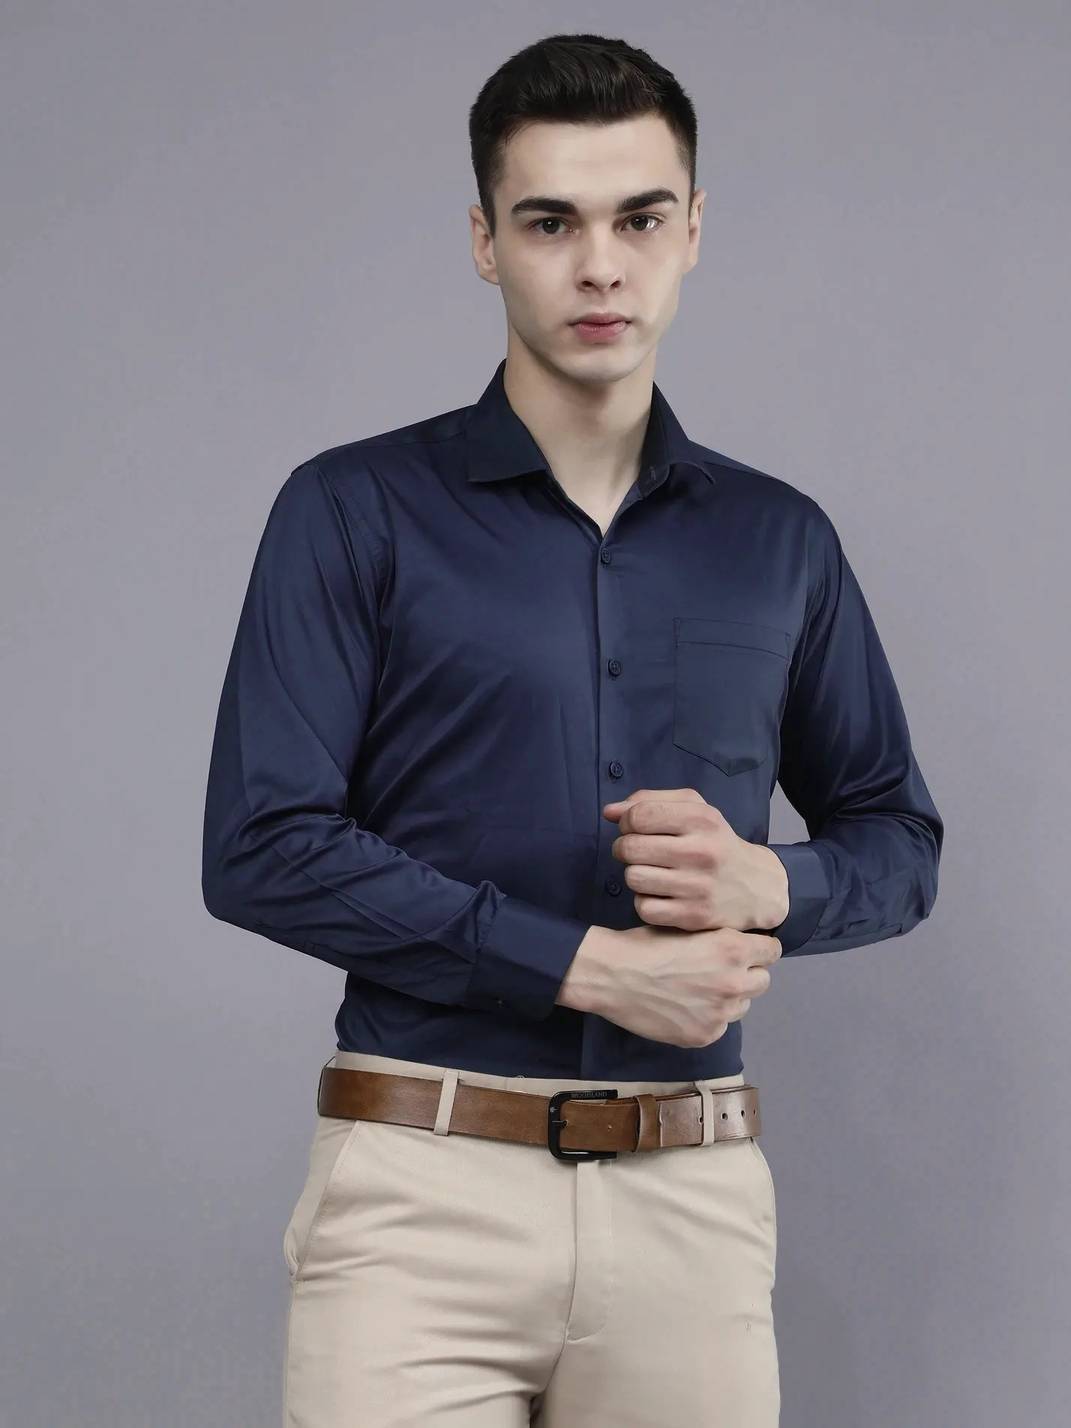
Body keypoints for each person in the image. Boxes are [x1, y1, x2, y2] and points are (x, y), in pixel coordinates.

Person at [200, 30, 943, 1428]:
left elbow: (900, 840)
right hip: (420, 1192)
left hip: (692, 1204)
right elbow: (262, 846)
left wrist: (770, 882)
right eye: (551, 222)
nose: (601, 266)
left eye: (639, 219)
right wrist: (591, 969)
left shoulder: (780, 540)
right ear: (486, 242)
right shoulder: (351, 511)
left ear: (693, 230)